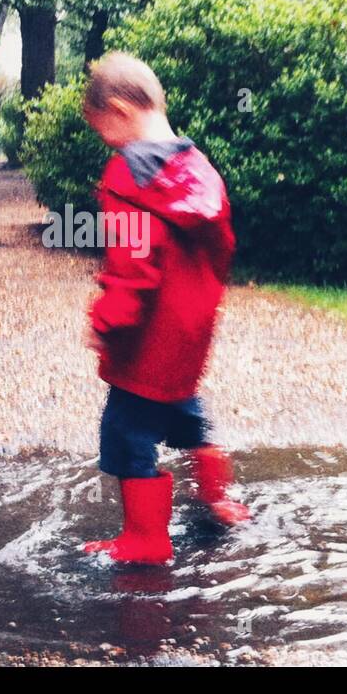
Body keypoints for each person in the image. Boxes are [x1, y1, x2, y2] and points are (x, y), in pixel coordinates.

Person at [81, 53, 249, 565]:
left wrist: (106, 322)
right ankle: (218, 499)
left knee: (127, 433)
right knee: (186, 414)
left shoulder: (130, 175)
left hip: (144, 342)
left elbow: (134, 265)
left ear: (118, 109)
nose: (105, 140)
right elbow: (218, 256)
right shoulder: (201, 170)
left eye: (102, 129)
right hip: (187, 339)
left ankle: (145, 540)